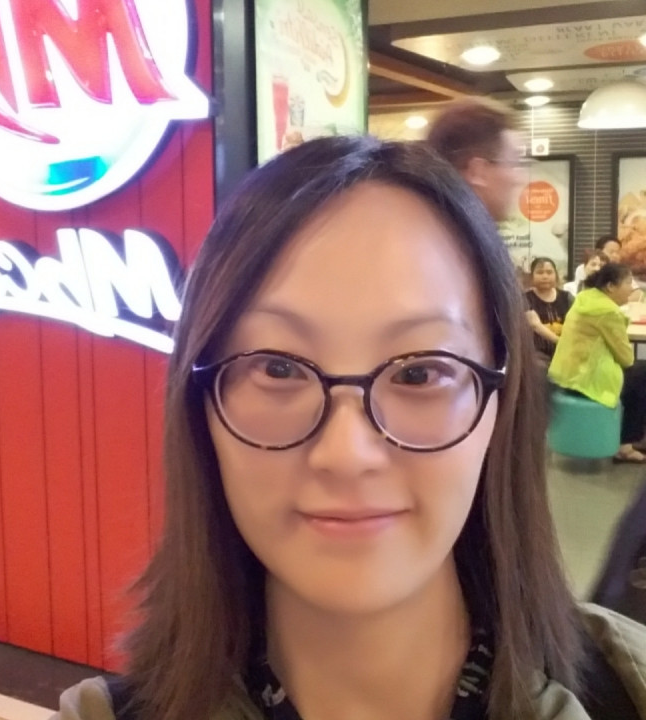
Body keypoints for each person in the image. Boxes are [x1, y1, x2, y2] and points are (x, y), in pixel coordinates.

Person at [51, 137, 646, 720]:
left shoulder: (626, 685)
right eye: (277, 369)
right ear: (201, 406)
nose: (346, 454)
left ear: (498, 403)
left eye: (418, 373)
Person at [549, 262, 646, 463]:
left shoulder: (585, 298)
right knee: (641, 373)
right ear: (610, 286)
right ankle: (626, 444)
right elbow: (626, 358)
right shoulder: (608, 312)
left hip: (566, 374)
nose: (632, 288)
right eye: (628, 282)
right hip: (586, 380)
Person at [426, 99, 527, 222]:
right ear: (477, 171)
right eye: (513, 163)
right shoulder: (448, 233)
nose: (519, 179)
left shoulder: (433, 224)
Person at [524, 257, 573, 364]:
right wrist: (561, 342)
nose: (545, 276)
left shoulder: (567, 297)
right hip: (536, 354)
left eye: (549, 272)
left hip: (567, 352)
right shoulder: (525, 298)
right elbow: (535, 325)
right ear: (532, 276)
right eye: (540, 272)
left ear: (556, 275)